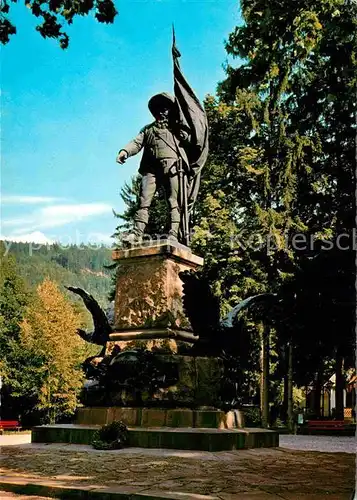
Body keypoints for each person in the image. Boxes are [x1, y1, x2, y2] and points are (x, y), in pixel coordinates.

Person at [116, 92, 191, 243]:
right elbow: (136, 143)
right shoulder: (148, 130)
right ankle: (137, 234)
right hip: (150, 170)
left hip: (172, 169)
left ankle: (173, 234)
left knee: (173, 201)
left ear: (171, 110)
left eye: (166, 108)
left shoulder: (177, 130)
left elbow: (191, 141)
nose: (162, 112)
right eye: (159, 109)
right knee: (144, 201)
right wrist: (124, 151)